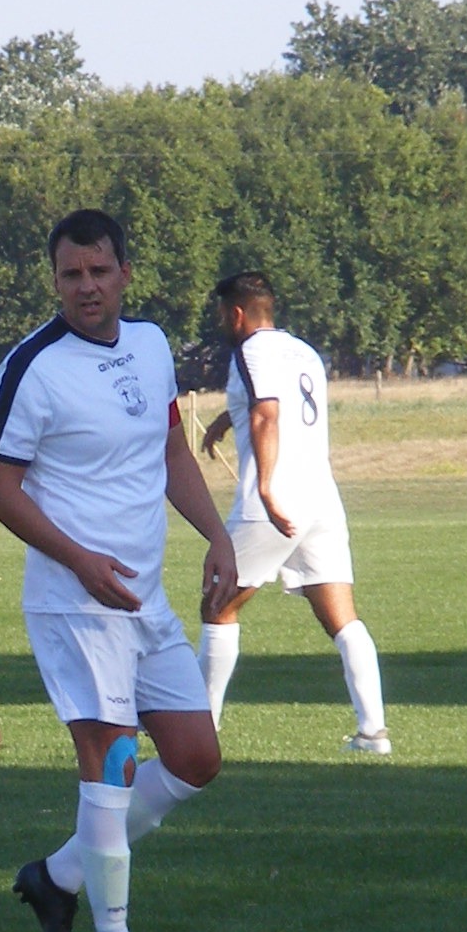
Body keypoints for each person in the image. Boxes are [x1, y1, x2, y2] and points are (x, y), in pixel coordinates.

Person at [0, 209, 232, 932]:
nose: (85, 287)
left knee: (195, 759)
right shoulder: (33, 366)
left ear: (124, 271)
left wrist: (217, 536)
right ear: (54, 279)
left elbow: (168, 447)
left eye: (98, 271)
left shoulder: (152, 345)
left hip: (145, 598)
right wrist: (80, 560)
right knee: (113, 759)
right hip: (75, 599)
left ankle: (56, 878)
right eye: (69, 275)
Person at [193, 272, 389, 754]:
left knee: (217, 606)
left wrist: (264, 485)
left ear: (237, 313)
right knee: (343, 619)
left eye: (222, 314)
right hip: (322, 498)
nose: (222, 323)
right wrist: (224, 420)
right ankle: (373, 732)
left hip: (274, 502)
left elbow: (267, 413)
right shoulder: (303, 351)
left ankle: (201, 733)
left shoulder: (249, 350)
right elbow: (274, 406)